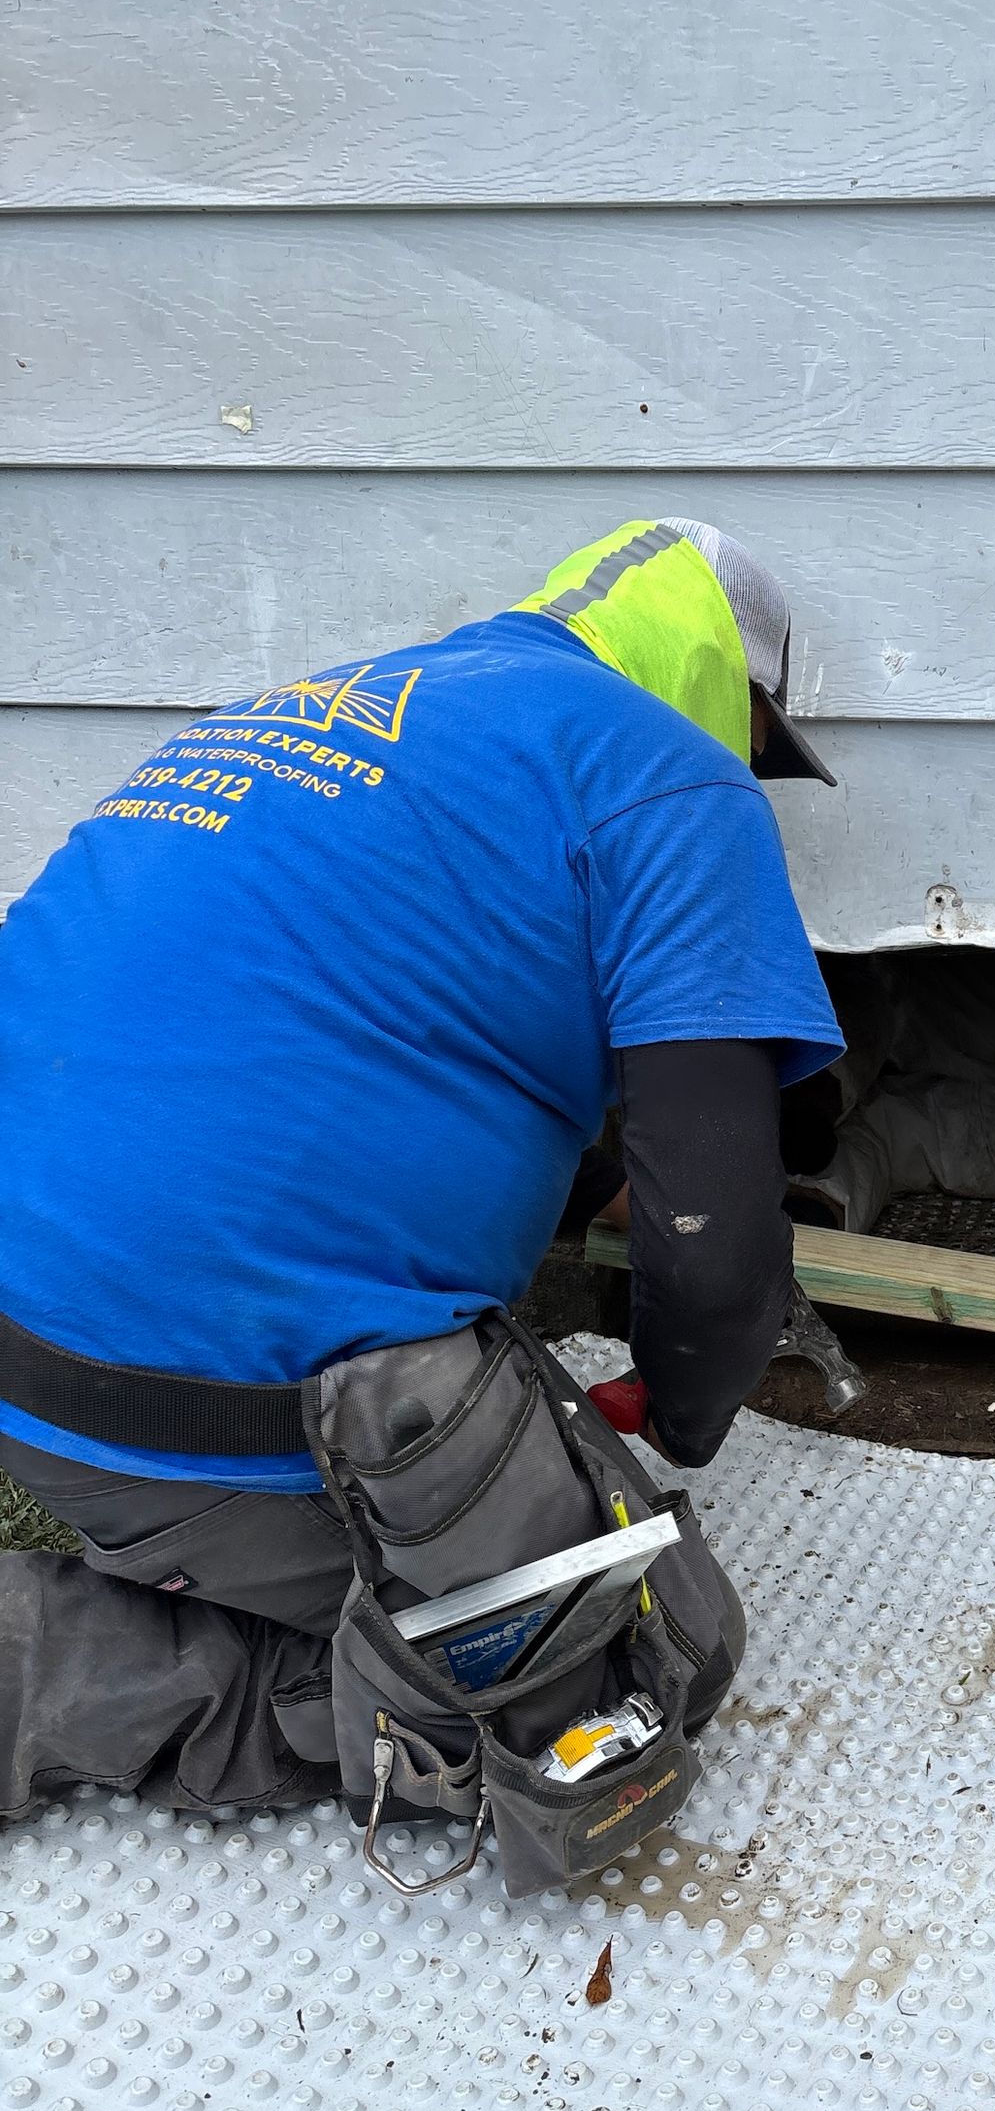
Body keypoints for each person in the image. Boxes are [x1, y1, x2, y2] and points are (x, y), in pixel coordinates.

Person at [0, 517, 843, 1828]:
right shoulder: (672, 777)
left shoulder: (322, 711)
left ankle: (190, 1559)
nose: (750, 772)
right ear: (718, 689)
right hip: (203, 1438)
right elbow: (718, 1252)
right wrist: (677, 1412)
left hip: (30, 1377)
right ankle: (71, 1667)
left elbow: (360, 1049)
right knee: (627, 1676)